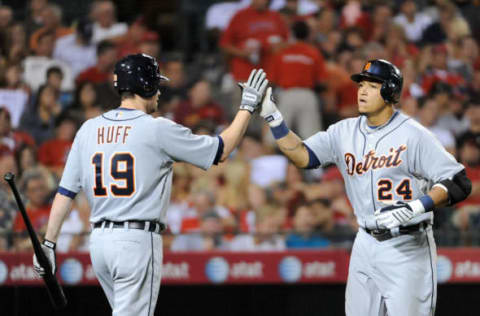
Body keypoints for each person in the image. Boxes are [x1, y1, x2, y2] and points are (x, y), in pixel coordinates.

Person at [32, 53, 268, 315]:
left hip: (99, 243)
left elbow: (65, 191)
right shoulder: (156, 129)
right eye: (156, 84)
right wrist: (247, 107)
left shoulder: (89, 129)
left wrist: (49, 243)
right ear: (146, 86)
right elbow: (220, 150)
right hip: (135, 240)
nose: (159, 92)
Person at [258, 59, 471, 315]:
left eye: (372, 85)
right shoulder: (343, 131)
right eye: (361, 84)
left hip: (408, 245)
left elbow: (459, 182)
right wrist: (274, 118)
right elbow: (303, 156)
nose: (362, 90)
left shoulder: (414, 135)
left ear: (390, 91)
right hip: (365, 242)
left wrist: (418, 205)